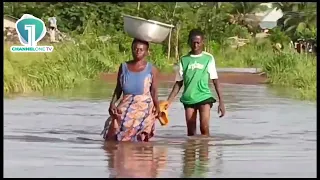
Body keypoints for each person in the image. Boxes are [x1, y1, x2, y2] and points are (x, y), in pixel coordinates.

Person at [166, 29, 226, 136]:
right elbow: (178, 83)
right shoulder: (184, 60)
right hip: (189, 98)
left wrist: (221, 101)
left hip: (204, 97)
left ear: (202, 42)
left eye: (198, 42)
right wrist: (168, 102)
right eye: (193, 42)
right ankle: (190, 151)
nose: (196, 45)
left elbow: (215, 80)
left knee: (204, 127)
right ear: (189, 42)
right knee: (191, 131)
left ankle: (205, 150)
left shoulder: (208, 58)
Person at [102, 38, 160, 142]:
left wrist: (158, 108)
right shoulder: (124, 67)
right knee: (114, 126)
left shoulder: (151, 69)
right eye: (135, 49)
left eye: (141, 50)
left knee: (139, 132)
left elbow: (154, 91)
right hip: (126, 103)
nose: (137, 52)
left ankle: (138, 157)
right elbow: (118, 88)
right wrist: (112, 103)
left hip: (144, 106)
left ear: (147, 52)